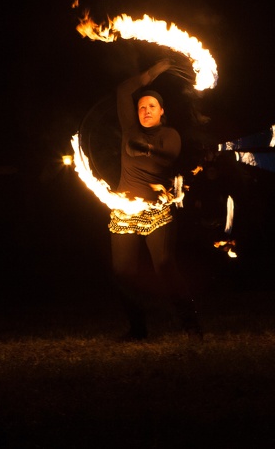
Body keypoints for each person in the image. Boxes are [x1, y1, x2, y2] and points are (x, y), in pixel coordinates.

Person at [108, 57, 203, 341]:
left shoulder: (169, 135)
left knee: (164, 265)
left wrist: (146, 150)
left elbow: (167, 157)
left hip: (157, 210)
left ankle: (190, 324)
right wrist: (153, 72)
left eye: (152, 106)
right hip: (125, 211)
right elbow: (124, 91)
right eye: (141, 107)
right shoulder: (129, 130)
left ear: (162, 112)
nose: (145, 110)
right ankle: (138, 329)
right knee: (123, 272)